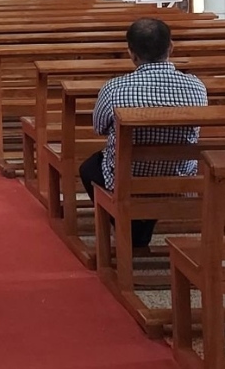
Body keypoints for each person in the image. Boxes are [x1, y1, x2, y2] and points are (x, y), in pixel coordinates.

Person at [79, 18, 207, 249]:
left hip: (127, 177)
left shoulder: (114, 88)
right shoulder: (196, 87)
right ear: (171, 47)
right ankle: (140, 225)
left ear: (132, 53)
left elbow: (99, 128)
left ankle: (130, 226)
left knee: (88, 168)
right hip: (178, 177)